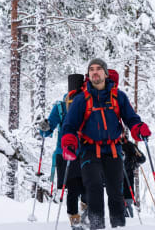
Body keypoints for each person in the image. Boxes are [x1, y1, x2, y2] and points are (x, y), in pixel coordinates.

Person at [61, 58, 152, 229]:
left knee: (116, 193)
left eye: (98, 69)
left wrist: (139, 129)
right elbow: (69, 125)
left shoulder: (118, 97)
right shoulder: (81, 99)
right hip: (89, 149)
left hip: (113, 149)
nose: (95, 72)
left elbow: (131, 119)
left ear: (105, 73)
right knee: (94, 189)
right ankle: (96, 226)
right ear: (88, 75)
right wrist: (69, 142)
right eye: (91, 69)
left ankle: (118, 226)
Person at [38, 74, 87, 230]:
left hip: (68, 153)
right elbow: (48, 129)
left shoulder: (61, 106)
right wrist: (45, 128)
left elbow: (48, 129)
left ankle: (77, 217)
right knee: (81, 187)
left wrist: (45, 128)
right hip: (77, 153)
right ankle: (79, 217)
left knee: (78, 187)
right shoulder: (62, 107)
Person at [121, 139, 146, 218]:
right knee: (117, 202)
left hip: (128, 177)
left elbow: (142, 159)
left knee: (128, 202)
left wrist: (135, 162)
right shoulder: (110, 143)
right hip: (116, 178)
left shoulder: (130, 145)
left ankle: (130, 223)